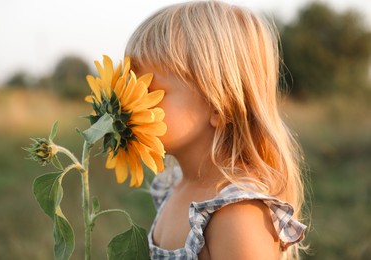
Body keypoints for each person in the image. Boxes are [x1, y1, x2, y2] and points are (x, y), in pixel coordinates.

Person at [125, 1, 308, 259]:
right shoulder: (176, 185)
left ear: (218, 107)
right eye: (131, 88)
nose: (130, 103)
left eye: (151, 91)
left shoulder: (238, 213)